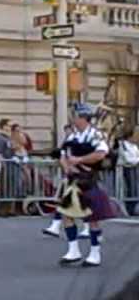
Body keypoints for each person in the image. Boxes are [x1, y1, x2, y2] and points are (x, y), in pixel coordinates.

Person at [56, 103, 116, 267]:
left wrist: (79, 160)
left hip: (88, 179)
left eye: (76, 116)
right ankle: (73, 250)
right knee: (66, 214)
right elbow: (63, 154)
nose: (73, 119)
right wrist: (66, 166)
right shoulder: (72, 137)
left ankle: (95, 253)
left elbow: (101, 154)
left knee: (92, 218)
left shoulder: (95, 135)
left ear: (83, 118)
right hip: (73, 179)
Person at [117, 129, 139, 215]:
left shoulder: (134, 146)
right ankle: (129, 209)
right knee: (130, 189)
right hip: (127, 169)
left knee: (135, 189)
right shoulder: (123, 145)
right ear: (130, 137)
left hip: (134, 169)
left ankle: (134, 208)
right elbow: (128, 159)